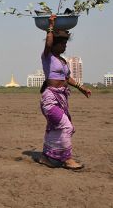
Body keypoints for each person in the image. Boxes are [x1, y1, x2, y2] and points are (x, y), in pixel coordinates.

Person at [38, 15, 91, 170]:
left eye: (66, 43)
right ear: (54, 44)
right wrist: (51, 25)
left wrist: (82, 88)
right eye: (62, 43)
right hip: (50, 100)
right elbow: (47, 43)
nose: (65, 46)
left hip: (61, 99)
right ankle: (67, 159)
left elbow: (67, 78)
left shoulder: (63, 61)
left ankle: (46, 157)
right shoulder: (47, 57)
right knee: (66, 126)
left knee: (55, 128)